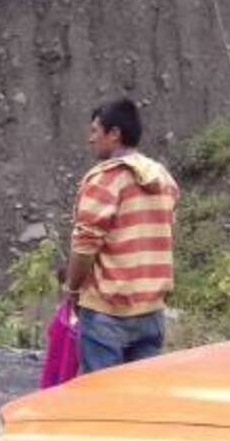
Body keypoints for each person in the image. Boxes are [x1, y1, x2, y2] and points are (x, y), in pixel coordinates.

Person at [64, 98, 179, 373]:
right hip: (151, 313)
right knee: (136, 408)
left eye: (95, 131)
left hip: (107, 314)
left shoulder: (105, 179)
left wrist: (71, 289)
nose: (90, 139)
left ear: (114, 134)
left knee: (101, 407)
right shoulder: (164, 180)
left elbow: (85, 246)